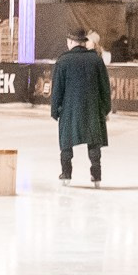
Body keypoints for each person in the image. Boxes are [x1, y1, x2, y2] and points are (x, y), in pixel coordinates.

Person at [49, 29, 111, 183]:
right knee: (94, 141)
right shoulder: (96, 60)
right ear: (83, 42)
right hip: (93, 109)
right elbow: (105, 87)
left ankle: (66, 173)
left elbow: (57, 89)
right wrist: (105, 108)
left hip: (69, 110)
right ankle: (96, 174)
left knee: (66, 142)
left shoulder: (63, 61)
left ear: (70, 42)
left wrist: (55, 110)